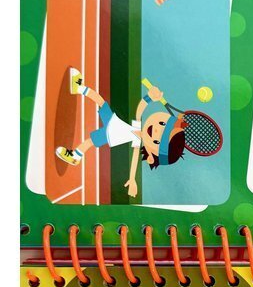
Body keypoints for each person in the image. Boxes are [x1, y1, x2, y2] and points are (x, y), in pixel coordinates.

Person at [55, 70, 187, 197]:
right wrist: (149, 98)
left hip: (109, 135)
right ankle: (79, 88)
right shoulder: (138, 126)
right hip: (112, 121)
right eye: (162, 124)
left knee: (90, 141)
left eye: (157, 141)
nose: (156, 130)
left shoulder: (137, 141)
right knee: (101, 102)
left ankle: (75, 156)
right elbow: (139, 110)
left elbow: (135, 158)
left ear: (151, 157)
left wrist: (132, 179)